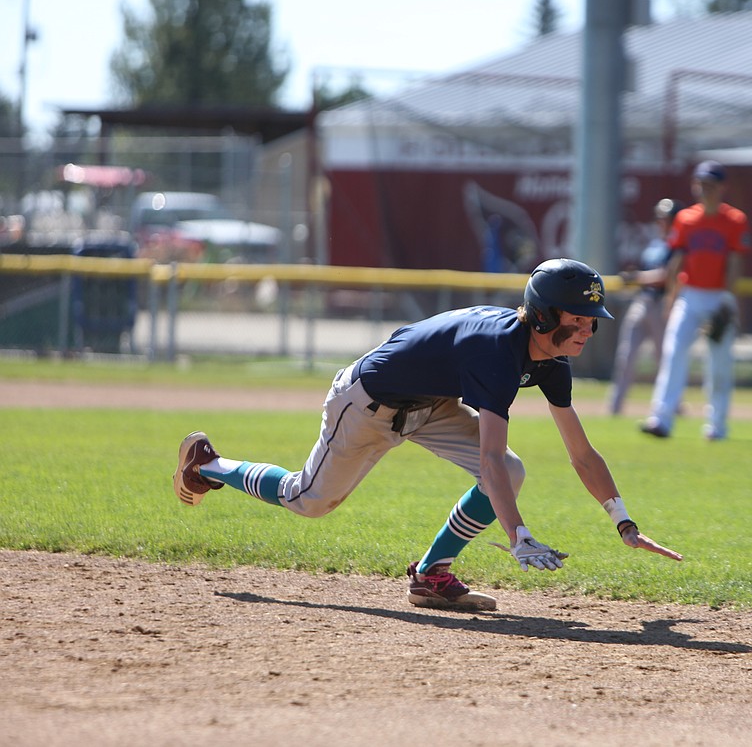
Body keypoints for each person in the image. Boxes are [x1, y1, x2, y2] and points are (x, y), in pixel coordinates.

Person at [172, 258, 683, 611]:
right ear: (545, 315)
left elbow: (581, 453)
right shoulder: (497, 351)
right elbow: (487, 456)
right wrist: (518, 536)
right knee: (307, 500)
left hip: (429, 402)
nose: (588, 331)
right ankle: (208, 464)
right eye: (579, 319)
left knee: (511, 468)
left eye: (593, 322)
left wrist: (624, 523)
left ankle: (431, 576)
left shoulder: (551, 358)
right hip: (369, 401)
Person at [641, 161, 751, 441]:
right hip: (690, 294)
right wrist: (671, 297)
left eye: (711, 184)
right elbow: (678, 259)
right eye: (701, 184)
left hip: (718, 294)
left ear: (722, 187)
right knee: (674, 351)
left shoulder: (735, 220)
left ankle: (716, 426)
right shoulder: (686, 218)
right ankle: (661, 419)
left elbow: (735, 262)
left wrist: (729, 300)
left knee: (719, 362)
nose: (705, 190)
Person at [607, 198, 684, 416]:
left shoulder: (678, 245)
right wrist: (638, 278)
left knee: (664, 360)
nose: (662, 221)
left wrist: (636, 277)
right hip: (643, 302)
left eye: (667, 218)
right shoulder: (654, 244)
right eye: (660, 217)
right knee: (626, 356)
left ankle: (672, 407)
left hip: (663, 305)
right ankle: (615, 407)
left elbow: (666, 276)